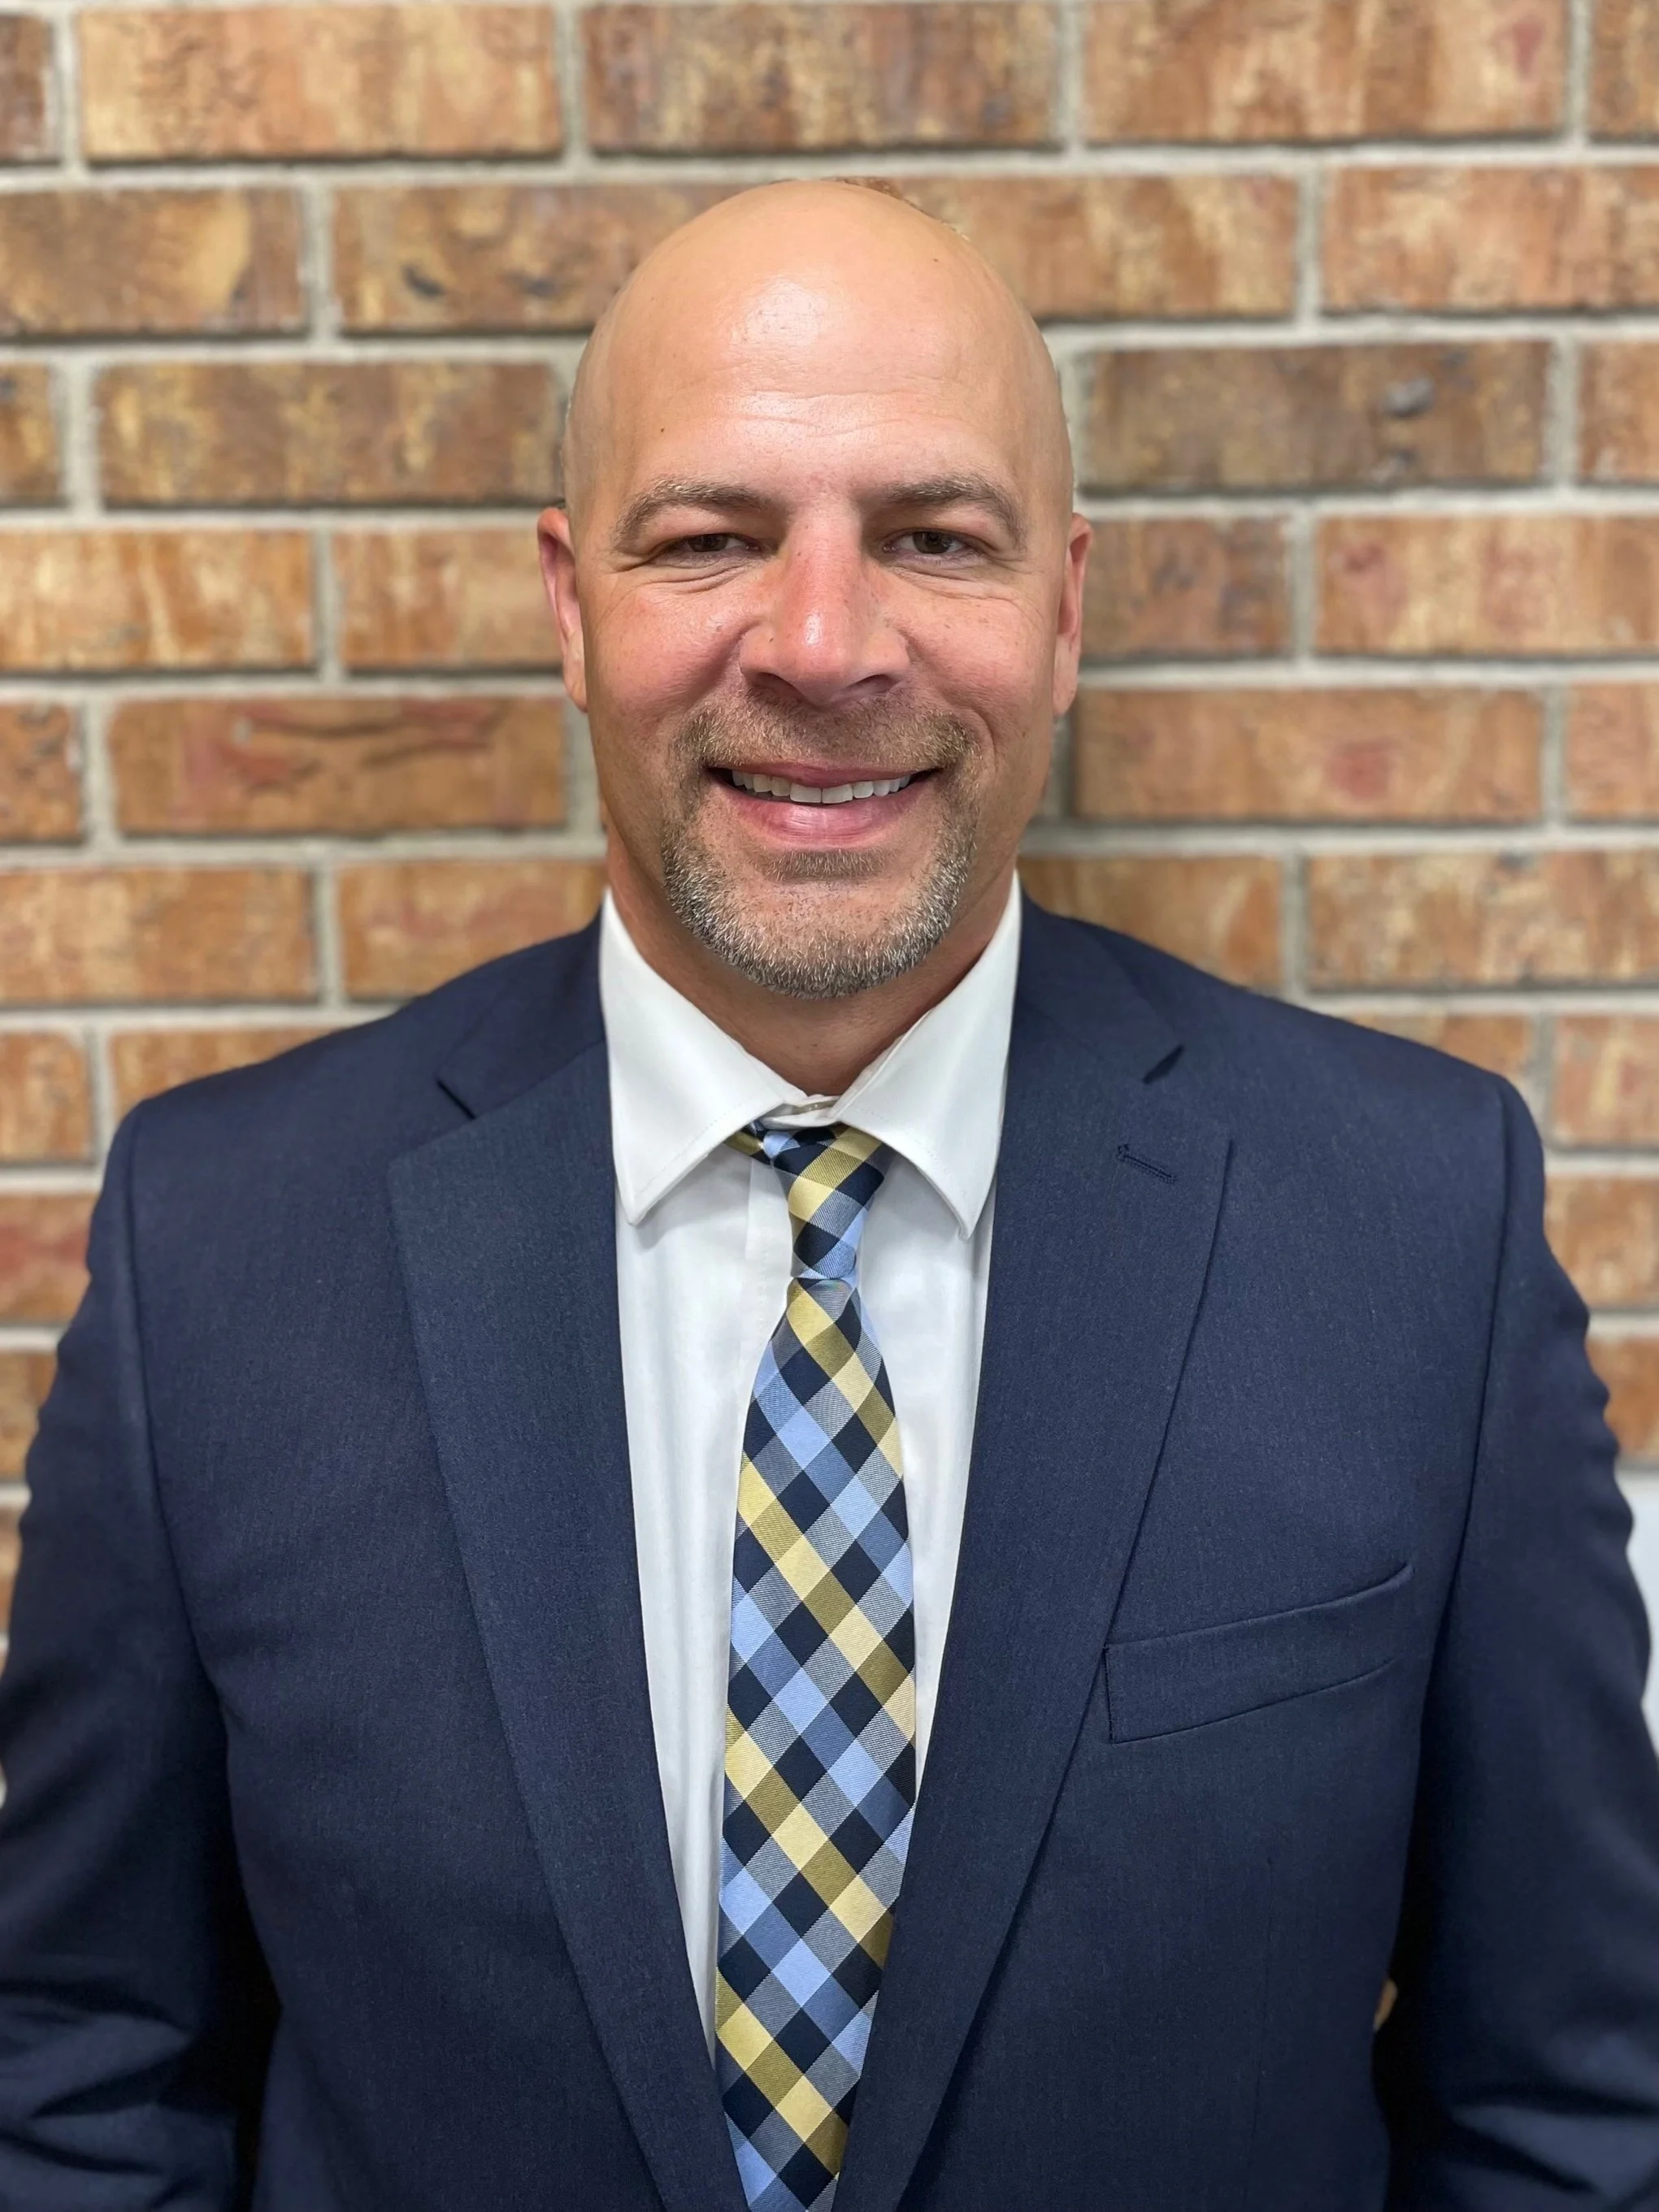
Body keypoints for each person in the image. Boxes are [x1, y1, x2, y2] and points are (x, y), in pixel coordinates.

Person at [1, 179, 1657, 2212]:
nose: (819, 643)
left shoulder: (1414, 1223)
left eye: (934, 539)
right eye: (709, 538)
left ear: (1065, 610)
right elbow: (83, 2063)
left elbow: (1576, 2094)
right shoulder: (223, 1247)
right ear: (569, 602)